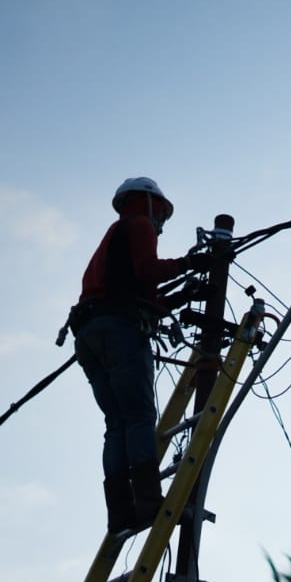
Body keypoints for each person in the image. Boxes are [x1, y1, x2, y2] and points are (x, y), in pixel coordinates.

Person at [71, 177, 206, 533]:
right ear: (149, 203)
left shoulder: (112, 239)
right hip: (120, 332)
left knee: (116, 423)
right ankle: (147, 503)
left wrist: (181, 294)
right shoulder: (140, 225)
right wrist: (189, 263)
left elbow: (138, 292)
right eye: (162, 214)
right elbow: (148, 271)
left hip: (89, 335)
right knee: (140, 417)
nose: (161, 223)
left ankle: (120, 514)